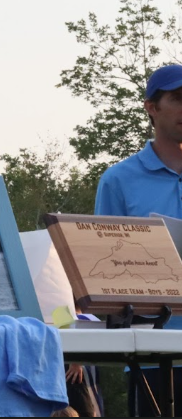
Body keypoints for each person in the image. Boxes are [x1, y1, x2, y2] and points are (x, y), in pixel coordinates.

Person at [95, 64, 182, 417]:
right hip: (152, 355)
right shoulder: (119, 180)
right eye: (177, 99)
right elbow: (103, 270)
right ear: (151, 107)